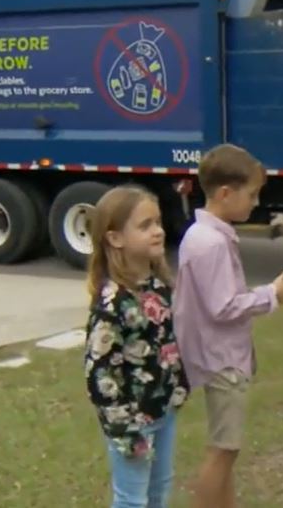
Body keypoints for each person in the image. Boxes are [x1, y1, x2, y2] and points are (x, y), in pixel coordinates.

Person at [171, 143, 283, 508]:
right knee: (223, 450)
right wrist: (272, 294)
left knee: (228, 449)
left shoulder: (203, 235)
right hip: (222, 361)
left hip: (216, 356)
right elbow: (224, 306)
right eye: (252, 194)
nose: (255, 203)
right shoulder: (210, 243)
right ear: (225, 193)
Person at [83, 184, 191, 508]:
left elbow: (170, 341)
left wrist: (179, 386)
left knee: (159, 490)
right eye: (145, 226)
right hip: (130, 422)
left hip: (164, 409)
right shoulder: (113, 301)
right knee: (132, 499)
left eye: (157, 222)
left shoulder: (161, 286)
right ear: (115, 238)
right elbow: (99, 371)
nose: (158, 231)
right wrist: (125, 430)